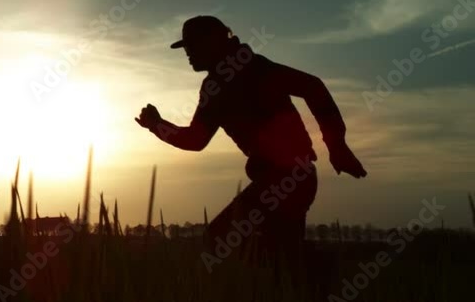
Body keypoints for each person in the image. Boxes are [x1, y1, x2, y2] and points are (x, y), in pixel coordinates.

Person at [135, 16, 366, 265]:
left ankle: (329, 273)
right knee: (282, 259)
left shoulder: (242, 74)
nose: (188, 53)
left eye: (192, 45)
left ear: (214, 41)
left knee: (220, 241)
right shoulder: (238, 73)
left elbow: (312, 86)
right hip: (297, 179)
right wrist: (157, 126)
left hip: (282, 181)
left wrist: (337, 145)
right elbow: (197, 139)